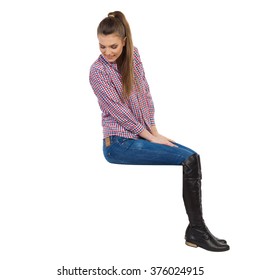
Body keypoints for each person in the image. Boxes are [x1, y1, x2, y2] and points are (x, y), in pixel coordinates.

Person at [89, 11, 230, 252]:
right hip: (118, 144)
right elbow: (120, 112)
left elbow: (144, 94)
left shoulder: (133, 55)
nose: (107, 52)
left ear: (124, 41)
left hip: (141, 135)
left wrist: (156, 131)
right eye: (102, 46)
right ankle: (197, 230)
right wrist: (151, 137)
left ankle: (196, 230)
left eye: (113, 46)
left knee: (192, 157)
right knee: (187, 159)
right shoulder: (97, 72)